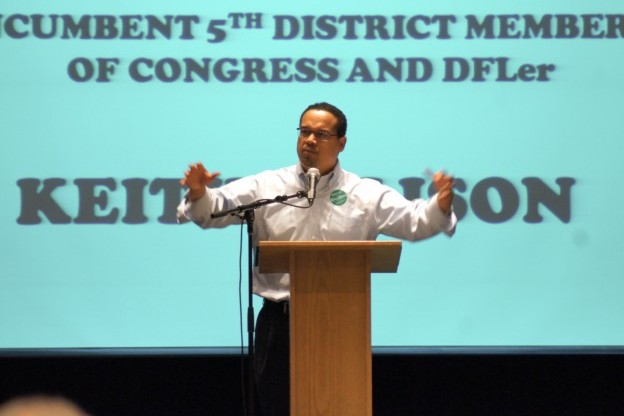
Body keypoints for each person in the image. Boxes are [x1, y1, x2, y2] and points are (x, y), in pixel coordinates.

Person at [177, 102, 456, 416]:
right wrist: (200, 192)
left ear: (341, 143)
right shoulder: (268, 186)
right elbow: (214, 209)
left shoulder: (364, 193)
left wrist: (440, 205)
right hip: (278, 323)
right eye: (304, 131)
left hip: (342, 321)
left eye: (321, 134)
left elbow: (416, 221)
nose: (309, 140)